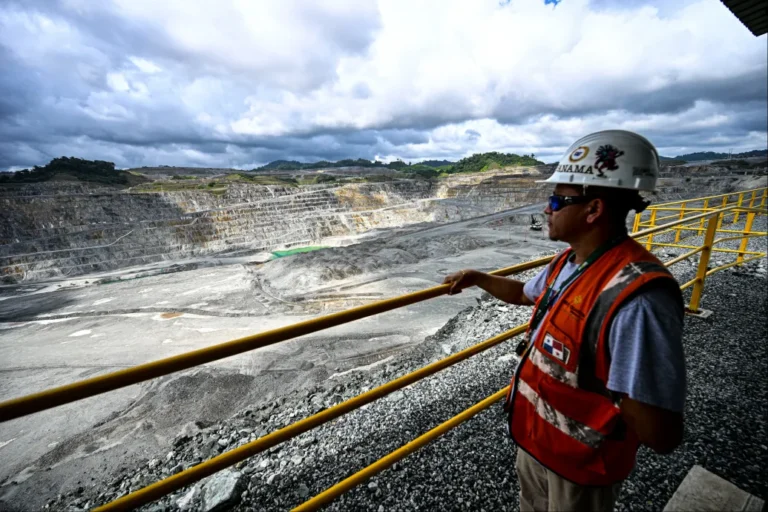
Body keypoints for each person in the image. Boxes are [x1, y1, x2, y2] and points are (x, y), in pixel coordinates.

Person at [442, 130, 686, 512]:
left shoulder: (637, 299)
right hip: (539, 445)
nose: (546, 209)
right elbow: (524, 294)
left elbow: (659, 432)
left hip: (582, 466)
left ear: (594, 210)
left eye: (557, 200)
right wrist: (478, 277)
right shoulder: (569, 263)